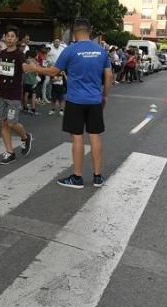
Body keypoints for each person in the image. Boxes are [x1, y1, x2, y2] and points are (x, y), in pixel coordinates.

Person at [32, 18, 112, 189]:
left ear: (74, 32)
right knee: (95, 136)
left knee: (77, 138)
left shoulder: (70, 50)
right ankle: (98, 177)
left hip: (75, 100)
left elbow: (54, 71)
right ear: (89, 31)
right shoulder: (101, 51)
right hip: (94, 100)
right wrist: (104, 96)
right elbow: (109, 77)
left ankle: (77, 178)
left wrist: (34, 69)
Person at [0, 25, 33, 165]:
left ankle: (25, 137)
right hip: (1, 93)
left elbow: (27, 68)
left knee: (12, 122)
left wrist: (31, 66)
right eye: (7, 36)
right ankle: (10, 152)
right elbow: (1, 74)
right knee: (3, 123)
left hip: (14, 94)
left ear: (17, 39)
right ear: (5, 38)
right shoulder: (2, 54)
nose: (9, 38)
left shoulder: (19, 55)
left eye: (12, 36)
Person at [23, 49, 39, 115]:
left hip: (25, 81)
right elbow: (36, 72)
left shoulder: (24, 62)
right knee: (33, 95)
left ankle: (25, 108)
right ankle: (33, 109)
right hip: (33, 81)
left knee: (26, 94)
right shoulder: (34, 63)